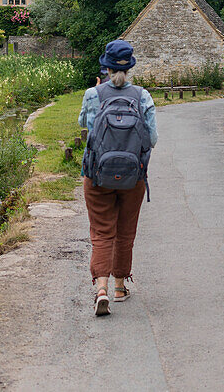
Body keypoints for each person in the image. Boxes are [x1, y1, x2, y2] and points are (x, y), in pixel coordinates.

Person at [78, 39, 157, 316]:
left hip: (97, 176)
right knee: (125, 232)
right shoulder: (142, 96)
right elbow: (153, 138)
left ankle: (101, 289)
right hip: (133, 177)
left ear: (107, 67)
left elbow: (84, 126)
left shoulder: (93, 94)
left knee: (102, 232)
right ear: (130, 66)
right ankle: (120, 286)